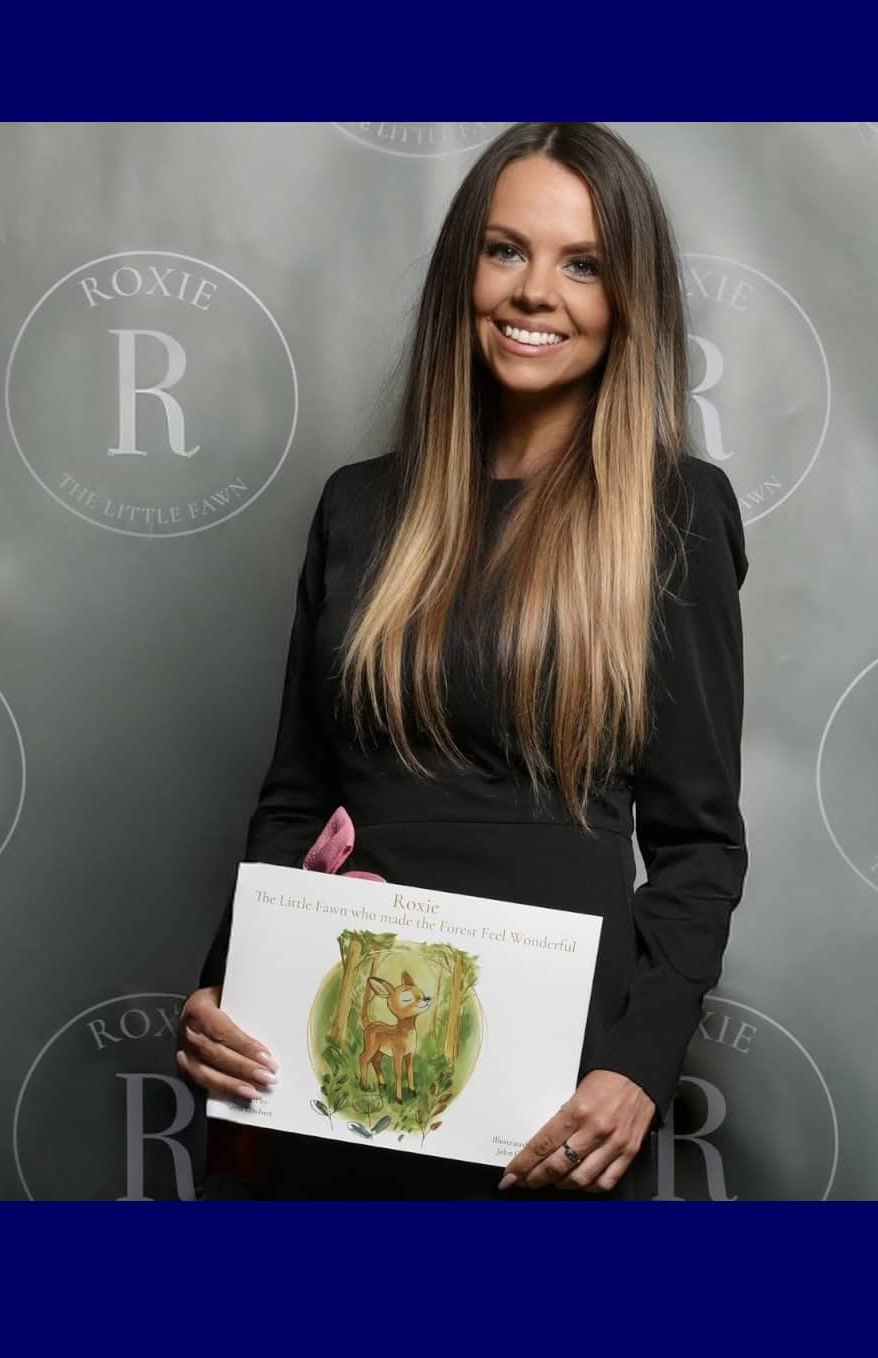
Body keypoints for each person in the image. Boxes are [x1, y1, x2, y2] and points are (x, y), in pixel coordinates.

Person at [175, 122, 748, 1200]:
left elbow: (700, 844)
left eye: (584, 264)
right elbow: (295, 800)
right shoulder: (359, 506)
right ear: (463, 273)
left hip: (548, 1095)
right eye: (506, 250)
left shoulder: (675, 513)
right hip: (323, 1056)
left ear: (630, 300)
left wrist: (637, 1065)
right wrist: (226, 985)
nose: (536, 291)